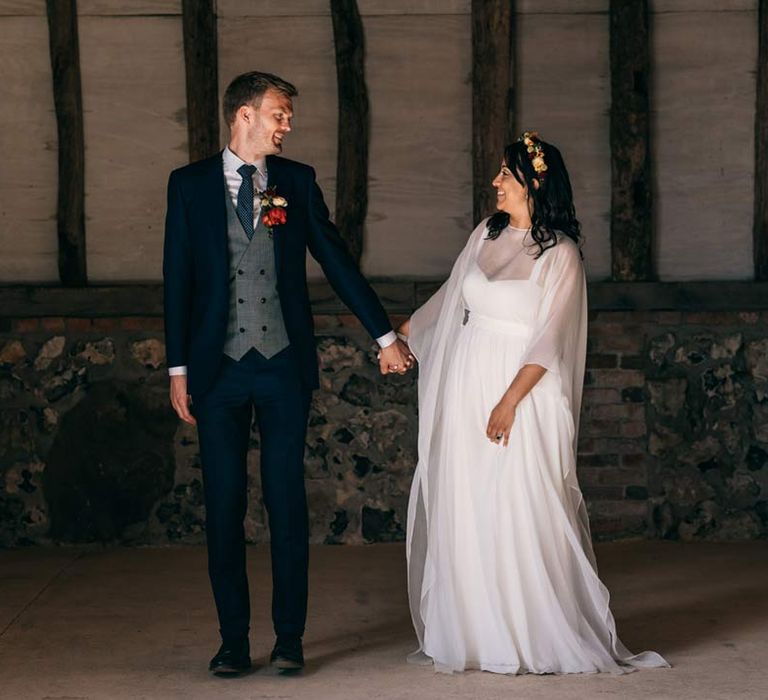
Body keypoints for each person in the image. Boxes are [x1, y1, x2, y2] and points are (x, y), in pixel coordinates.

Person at [163, 71, 413, 676]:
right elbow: (178, 278)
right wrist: (177, 368)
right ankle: (230, 641)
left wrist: (384, 335)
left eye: (288, 116)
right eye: (279, 114)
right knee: (222, 505)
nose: (287, 125)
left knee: (286, 502)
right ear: (243, 115)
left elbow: (335, 259)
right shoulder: (190, 185)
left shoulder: (295, 183)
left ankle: (290, 638)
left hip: (281, 366)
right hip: (215, 371)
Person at [399, 132, 669, 674]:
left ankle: (527, 632)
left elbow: (549, 340)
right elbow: (448, 299)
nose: (496, 181)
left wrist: (508, 403)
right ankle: (472, 631)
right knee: (467, 501)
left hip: (522, 387)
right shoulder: (486, 233)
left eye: (506, 173)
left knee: (520, 505)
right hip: (467, 380)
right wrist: (398, 338)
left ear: (534, 183)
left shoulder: (561, 254)